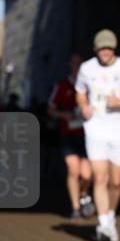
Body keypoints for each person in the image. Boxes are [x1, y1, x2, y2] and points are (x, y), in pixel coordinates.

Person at [75, 29, 120, 241]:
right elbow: (80, 91)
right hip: (96, 128)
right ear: (95, 49)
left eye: (109, 48)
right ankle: (103, 224)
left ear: (114, 49)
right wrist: (84, 105)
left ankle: (111, 215)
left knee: (116, 181)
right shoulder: (87, 68)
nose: (105, 52)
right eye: (101, 48)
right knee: (101, 178)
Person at [48, 53, 95, 222]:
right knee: (73, 170)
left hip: (88, 135)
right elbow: (50, 109)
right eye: (73, 63)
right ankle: (75, 207)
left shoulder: (91, 86)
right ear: (69, 65)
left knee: (87, 175)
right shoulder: (61, 85)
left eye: (79, 63)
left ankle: (84, 193)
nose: (76, 66)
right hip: (68, 135)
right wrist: (64, 115)